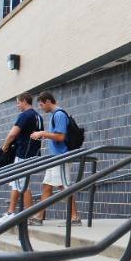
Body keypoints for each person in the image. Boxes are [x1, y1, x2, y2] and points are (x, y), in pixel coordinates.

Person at [30, 91, 80, 226]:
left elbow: (60, 137)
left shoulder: (59, 115)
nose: (41, 108)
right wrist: (44, 135)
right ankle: (39, 217)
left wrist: (43, 133)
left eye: (41, 105)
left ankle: (75, 218)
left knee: (64, 187)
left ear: (48, 101)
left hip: (61, 156)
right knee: (47, 186)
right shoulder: (55, 115)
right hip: (55, 157)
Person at [0, 93, 43, 224]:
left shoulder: (25, 115)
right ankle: (10, 212)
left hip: (24, 155)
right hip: (33, 154)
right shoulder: (38, 117)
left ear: (24, 101)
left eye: (18, 102)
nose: (17, 105)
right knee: (16, 183)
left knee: (23, 184)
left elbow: (12, 134)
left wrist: (4, 147)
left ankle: (30, 215)